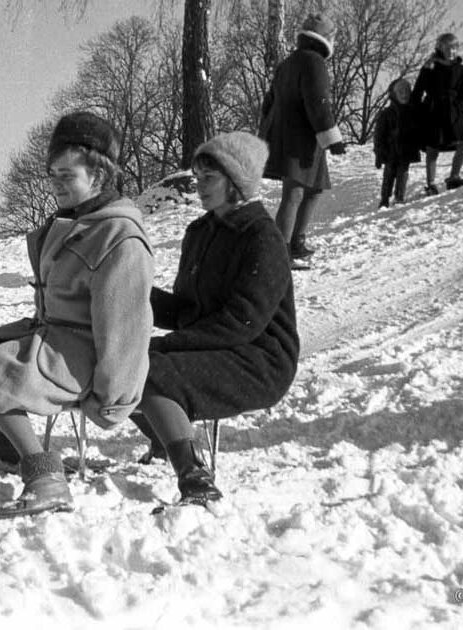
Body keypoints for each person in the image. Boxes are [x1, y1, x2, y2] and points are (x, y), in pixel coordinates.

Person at [0, 111, 154, 518]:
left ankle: (44, 476)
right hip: (52, 338)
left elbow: (125, 329)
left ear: (99, 175)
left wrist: (113, 399)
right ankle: (6, 446)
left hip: (84, 354)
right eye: (53, 175)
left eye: (69, 176)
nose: (58, 185)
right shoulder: (72, 222)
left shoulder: (120, 236)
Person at [131, 131, 299, 505]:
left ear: (236, 182)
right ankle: (166, 437)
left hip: (259, 358)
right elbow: (188, 311)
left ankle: (194, 477)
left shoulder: (262, 237)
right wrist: (132, 296)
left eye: (210, 178)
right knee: (125, 360)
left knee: (152, 370)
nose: (199, 186)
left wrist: (166, 345)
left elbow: (242, 321)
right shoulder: (200, 231)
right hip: (215, 346)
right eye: (198, 177)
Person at [258, 14, 346, 261]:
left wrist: (265, 133)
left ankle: (296, 241)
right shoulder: (314, 61)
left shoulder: (288, 63)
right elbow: (318, 101)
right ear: (327, 38)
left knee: (314, 189)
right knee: (294, 193)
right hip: (302, 138)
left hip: (293, 136)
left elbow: (268, 103)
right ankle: (281, 252)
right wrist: (333, 138)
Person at [412, 32, 463, 195]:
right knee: (433, 148)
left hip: (454, 111)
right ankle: (431, 184)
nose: (451, 51)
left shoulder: (462, 70)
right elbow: (418, 91)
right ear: (439, 48)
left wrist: (459, 108)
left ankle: (454, 177)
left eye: (454, 48)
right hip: (434, 111)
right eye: (447, 47)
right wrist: (418, 111)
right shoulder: (429, 68)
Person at [373, 77, 422, 208]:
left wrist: (421, 144)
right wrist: (379, 153)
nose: (404, 95)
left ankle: (399, 197)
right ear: (394, 94)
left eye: (407, 91)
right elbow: (378, 135)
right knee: (388, 175)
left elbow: (418, 130)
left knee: (403, 174)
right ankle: (384, 199)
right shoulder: (386, 114)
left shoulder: (412, 112)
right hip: (390, 151)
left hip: (406, 150)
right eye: (401, 92)